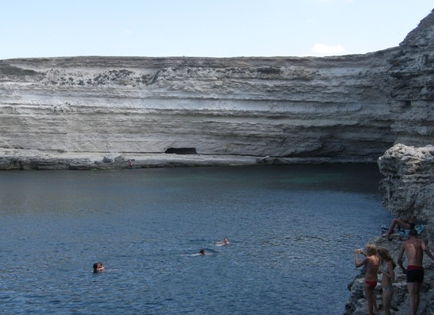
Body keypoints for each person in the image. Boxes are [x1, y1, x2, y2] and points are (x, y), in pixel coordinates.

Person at [397, 229, 434, 315]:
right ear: (417, 235)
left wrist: (403, 269)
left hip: (411, 269)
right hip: (420, 269)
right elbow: (425, 250)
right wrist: (433, 258)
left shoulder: (405, 243)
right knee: (417, 294)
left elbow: (399, 260)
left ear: (409, 235)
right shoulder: (420, 241)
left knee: (412, 295)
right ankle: (415, 312)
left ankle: (413, 313)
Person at [355, 244, 380, 315]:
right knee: (372, 294)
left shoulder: (368, 259)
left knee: (369, 300)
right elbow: (368, 257)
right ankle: (376, 309)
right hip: (375, 281)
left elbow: (357, 265)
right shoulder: (377, 258)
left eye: (366, 249)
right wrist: (362, 253)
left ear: (369, 251)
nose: (365, 250)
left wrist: (356, 255)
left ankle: (371, 313)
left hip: (368, 281)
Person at [377, 248, 396, 315]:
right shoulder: (384, 262)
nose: (377, 256)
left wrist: (383, 272)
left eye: (378, 255)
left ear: (382, 255)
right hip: (384, 288)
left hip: (388, 288)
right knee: (385, 307)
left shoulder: (389, 263)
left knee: (386, 307)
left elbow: (392, 277)